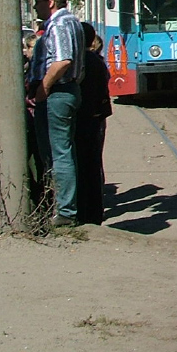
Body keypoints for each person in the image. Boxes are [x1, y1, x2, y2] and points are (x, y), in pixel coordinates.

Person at [27, 0, 86, 229]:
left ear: (50, 1)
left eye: (37, 2)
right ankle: (60, 207)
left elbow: (62, 60)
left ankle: (64, 211)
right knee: (58, 151)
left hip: (58, 93)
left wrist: (44, 88)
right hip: (63, 92)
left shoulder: (60, 23)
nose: (35, 8)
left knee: (58, 152)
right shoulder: (69, 23)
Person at [74, 22, 112, 225]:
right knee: (94, 164)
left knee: (84, 165)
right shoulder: (96, 60)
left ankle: (85, 213)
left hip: (85, 118)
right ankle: (95, 213)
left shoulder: (82, 60)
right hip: (96, 117)